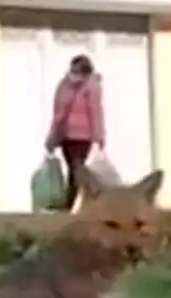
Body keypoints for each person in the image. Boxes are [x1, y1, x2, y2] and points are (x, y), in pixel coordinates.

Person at [44, 55, 106, 211]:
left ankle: (70, 204)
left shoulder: (67, 86)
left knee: (75, 170)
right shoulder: (91, 86)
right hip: (78, 136)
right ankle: (72, 203)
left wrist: (53, 136)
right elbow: (95, 112)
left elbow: (59, 114)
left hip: (72, 136)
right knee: (76, 170)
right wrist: (99, 135)